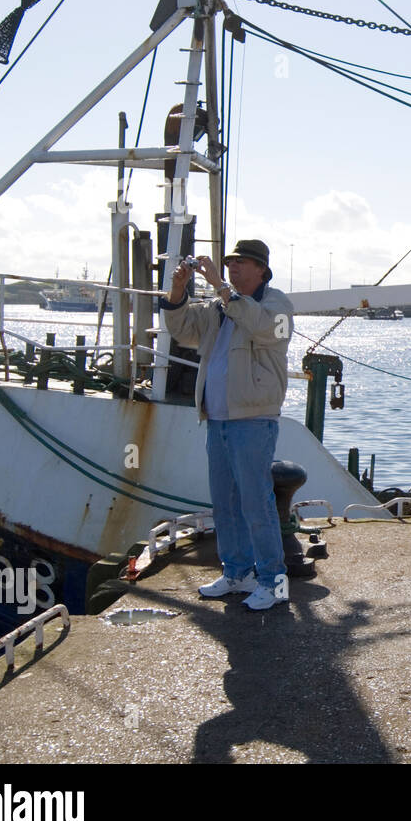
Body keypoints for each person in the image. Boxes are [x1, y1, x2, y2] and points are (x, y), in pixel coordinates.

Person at [160, 239, 295, 611]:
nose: (233, 268)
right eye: (230, 262)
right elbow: (184, 330)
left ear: (261, 270)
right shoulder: (220, 307)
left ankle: (274, 581)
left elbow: (267, 329)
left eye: (241, 263)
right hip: (217, 418)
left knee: (257, 503)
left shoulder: (277, 304)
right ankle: (237, 573)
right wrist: (177, 291)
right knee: (225, 504)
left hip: (253, 420)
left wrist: (221, 287)